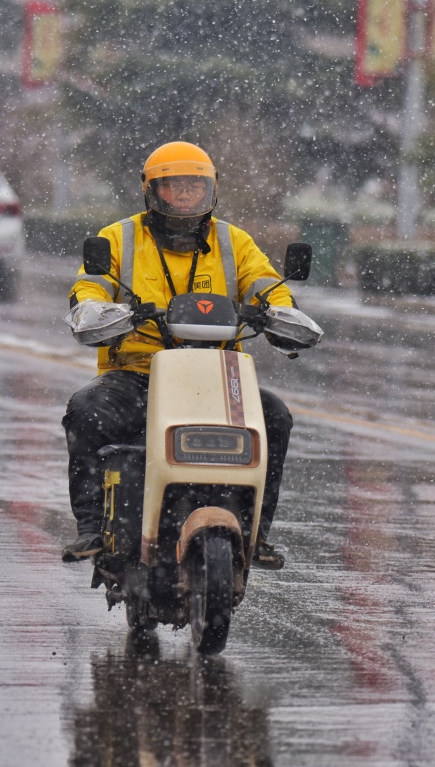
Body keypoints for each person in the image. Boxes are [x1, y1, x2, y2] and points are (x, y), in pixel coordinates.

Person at [60, 141, 322, 569]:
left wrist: (281, 313)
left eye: (194, 187)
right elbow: (90, 287)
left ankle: (257, 534)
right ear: (151, 190)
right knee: (87, 410)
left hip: (218, 376)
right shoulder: (118, 238)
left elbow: (267, 285)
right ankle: (91, 527)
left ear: (211, 189)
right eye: (173, 186)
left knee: (275, 416)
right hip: (137, 373)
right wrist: (95, 310)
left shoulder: (233, 241)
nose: (184, 195)